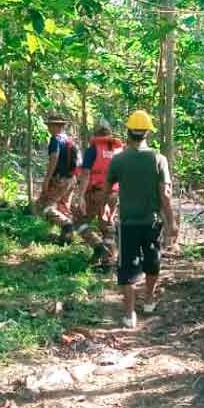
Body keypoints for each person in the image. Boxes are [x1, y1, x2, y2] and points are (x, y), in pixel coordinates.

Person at [106, 110, 178, 329]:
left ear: (128, 132)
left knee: (127, 267)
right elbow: (165, 194)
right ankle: (148, 301)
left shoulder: (118, 160)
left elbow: (108, 192)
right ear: (147, 133)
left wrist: (105, 212)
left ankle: (129, 315)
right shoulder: (159, 159)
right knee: (152, 261)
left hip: (127, 224)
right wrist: (172, 222)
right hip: (152, 222)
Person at [74, 118, 124, 268]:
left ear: (95, 132)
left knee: (79, 221)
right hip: (114, 194)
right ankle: (108, 261)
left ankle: (98, 247)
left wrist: (80, 196)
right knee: (107, 226)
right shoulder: (118, 150)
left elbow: (86, 174)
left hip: (96, 193)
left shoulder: (93, 149)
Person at [34, 113, 78, 244]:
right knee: (63, 206)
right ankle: (66, 238)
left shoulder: (55, 140)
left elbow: (54, 158)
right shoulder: (68, 139)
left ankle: (66, 225)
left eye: (50, 125)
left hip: (59, 179)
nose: (48, 128)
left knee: (45, 206)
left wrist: (47, 180)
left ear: (56, 126)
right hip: (71, 179)